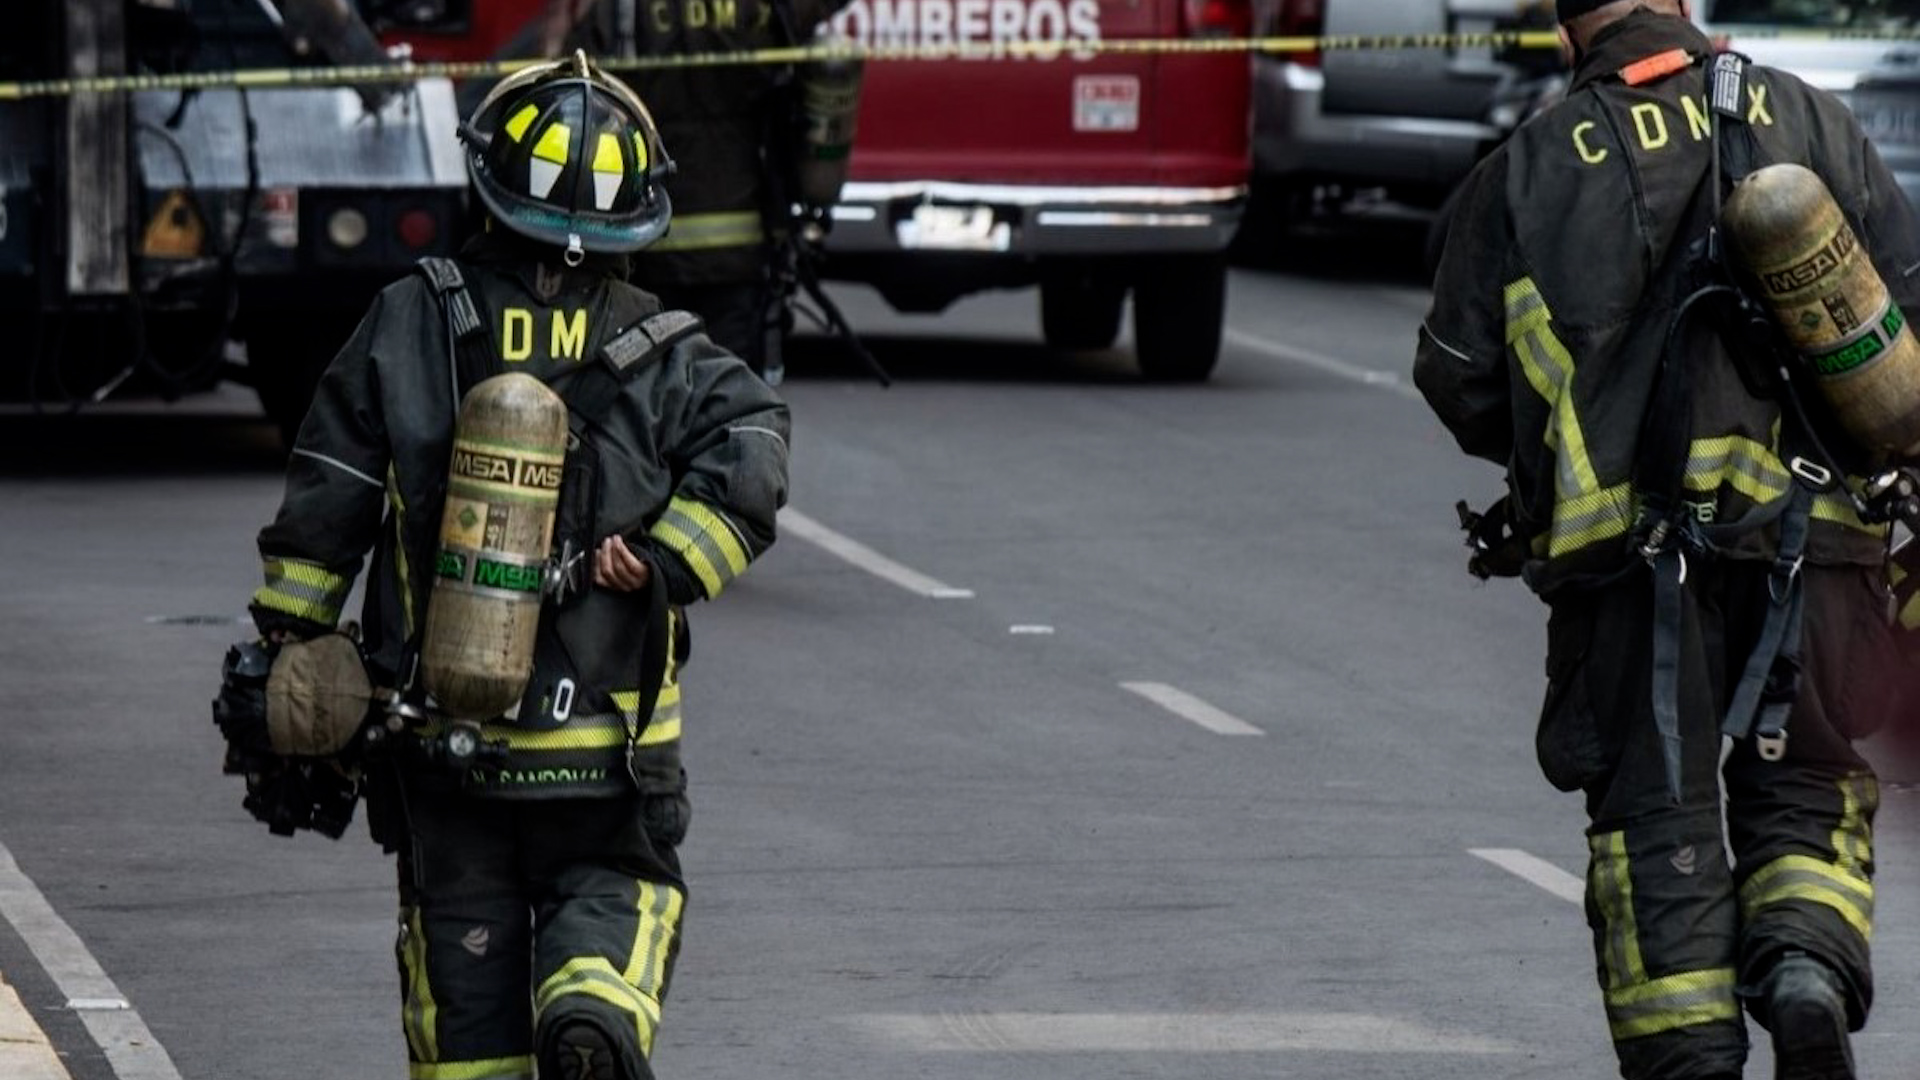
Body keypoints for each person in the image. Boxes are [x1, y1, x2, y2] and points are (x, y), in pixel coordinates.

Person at [242, 53, 789, 1080]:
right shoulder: (665, 347)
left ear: (488, 184)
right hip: (608, 746)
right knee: (617, 883)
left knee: (461, 963)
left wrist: (290, 642)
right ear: (639, 209)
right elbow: (754, 449)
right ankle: (592, 1000)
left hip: (443, 738)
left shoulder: (411, 318)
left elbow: (327, 494)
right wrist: (670, 558)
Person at [1414, 2, 1915, 1078]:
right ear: (1687, 8)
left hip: (1635, 572)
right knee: (1810, 775)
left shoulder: (1530, 169)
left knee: (1659, 820)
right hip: (1819, 548)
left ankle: (1691, 1059)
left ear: (1565, 31)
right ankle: (1805, 974)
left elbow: (1458, 378)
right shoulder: (1816, 124)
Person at [485, 0, 853, 383]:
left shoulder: (619, 11)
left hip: (645, 245)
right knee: (728, 394)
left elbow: (571, 91)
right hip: (740, 246)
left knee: (643, 395)